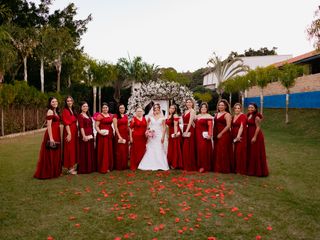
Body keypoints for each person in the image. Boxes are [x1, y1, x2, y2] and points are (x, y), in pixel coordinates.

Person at [34, 97, 62, 179]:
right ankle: (48, 172)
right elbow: (49, 125)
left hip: (56, 133)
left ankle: (54, 171)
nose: (55, 103)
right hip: (51, 133)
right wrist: (51, 138)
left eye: (56, 101)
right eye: (53, 102)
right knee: (50, 152)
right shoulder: (50, 111)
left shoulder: (55, 111)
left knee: (55, 152)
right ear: (50, 103)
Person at [138, 104, 169, 170]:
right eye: (155, 108)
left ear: (159, 109)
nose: (156, 109)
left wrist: (163, 136)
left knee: (159, 148)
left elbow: (164, 128)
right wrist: (148, 131)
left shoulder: (162, 117)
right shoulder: (150, 116)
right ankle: (149, 163)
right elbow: (147, 125)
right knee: (151, 148)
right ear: (153, 109)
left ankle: (160, 164)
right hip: (152, 136)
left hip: (159, 135)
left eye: (157, 108)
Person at [247, 103, 269, 177]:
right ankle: (251, 169)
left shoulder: (256, 116)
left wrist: (254, 137)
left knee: (255, 152)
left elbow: (258, 127)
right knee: (251, 152)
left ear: (255, 109)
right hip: (249, 134)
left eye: (252, 107)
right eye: (249, 107)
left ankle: (258, 171)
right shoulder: (248, 115)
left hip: (256, 135)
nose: (250, 109)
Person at [213, 99, 233, 173]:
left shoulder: (227, 114)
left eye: (222, 105)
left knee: (223, 150)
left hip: (224, 134)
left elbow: (228, 126)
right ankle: (218, 167)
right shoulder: (217, 114)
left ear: (225, 106)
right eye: (219, 105)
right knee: (217, 149)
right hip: (216, 133)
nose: (220, 106)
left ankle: (224, 167)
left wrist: (221, 133)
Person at [77, 101, 96, 174]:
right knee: (84, 151)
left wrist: (93, 134)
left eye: (86, 106)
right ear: (81, 107)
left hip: (90, 135)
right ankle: (84, 168)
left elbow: (91, 126)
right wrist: (84, 136)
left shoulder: (88, 115)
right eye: (84, 106)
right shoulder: (80, 116)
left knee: (90, 150)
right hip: (84, 135)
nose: (85, 107)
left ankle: (90, 167)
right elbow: (81, 127)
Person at [95, 103, 114, 173]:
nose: (105, 109)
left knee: (109, 150)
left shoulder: (110, 115)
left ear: (108, 108)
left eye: (106, 107)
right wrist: (100, 132)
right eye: (103, 108)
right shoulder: (100, 116)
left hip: (110, 134)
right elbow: (96, 126)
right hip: (102, 135)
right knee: (103, 150)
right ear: (102, 109)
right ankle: (103, 167)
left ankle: (109, 166)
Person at [195, 102, 213, 172]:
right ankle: (199, 165)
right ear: (200, 108)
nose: (203, 108)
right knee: (199, 150)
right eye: (202, 107)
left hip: (204, 136)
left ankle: (204, 166)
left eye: (205, 107)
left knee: (204, 150)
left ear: (207, 109)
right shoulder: (198, 115)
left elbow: (210, 126)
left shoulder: (208, 116)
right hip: (197, 135)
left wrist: (210, 134)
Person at [61, 96, 77, 175]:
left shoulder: (73, 110)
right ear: (66, 102)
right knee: (69, 148)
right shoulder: (65, 111)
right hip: (69, 131)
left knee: (73, 148)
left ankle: (72, 166)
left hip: (74, 131)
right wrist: (69, 133)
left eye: (71, 101)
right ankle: (70, 168)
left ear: (73, 102)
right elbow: (66, 122)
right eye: (68, 101)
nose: (69, 102)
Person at [231, 103, 247, 175]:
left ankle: (240, 170)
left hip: (240, 136)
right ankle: (235, 168)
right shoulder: (233, 116)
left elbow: (242, 126)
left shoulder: (243, 116)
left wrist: (238, 136)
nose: (237, 109)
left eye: (238, 108)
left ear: (241, 109)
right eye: (236, 108)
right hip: (234, 135)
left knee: (239, 153)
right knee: (235, 152)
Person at [165, 104, 183, 169]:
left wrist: (175, 134)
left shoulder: (175, 115)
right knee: (171, 147)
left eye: (173, 108)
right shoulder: (169, 116)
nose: (171, 109)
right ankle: (171, 162)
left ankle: (175, 163)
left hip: (175, 132)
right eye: (170, 108)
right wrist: (167, 134)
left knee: (175, 147)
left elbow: (175, 125)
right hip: (170, 132)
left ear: (175, 110)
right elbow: (167, 126)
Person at [182, 99, 197, 171]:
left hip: (189, 129)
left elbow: (191, 122)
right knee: (185, 148)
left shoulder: (192, 111)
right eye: (187, 102)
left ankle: (190, 165)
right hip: (185, 128)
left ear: (192, 103)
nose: (188, 103)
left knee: (188, 147)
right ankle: (185, 164)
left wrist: (186, 131)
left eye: (190, 102)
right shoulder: (185, 111)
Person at [113, 104, 129, 170]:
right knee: (119, 150)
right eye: (120, 108)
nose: (122, 109)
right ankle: (119, 166)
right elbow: (115, 127)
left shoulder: (126, 116)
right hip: (119, 134)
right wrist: (119, 136)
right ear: (118, 109)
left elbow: (127, 126)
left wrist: (129, 134)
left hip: (125, 134)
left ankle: (124, 165)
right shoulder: (115, 116)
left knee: (125, 150)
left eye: (123, 108)